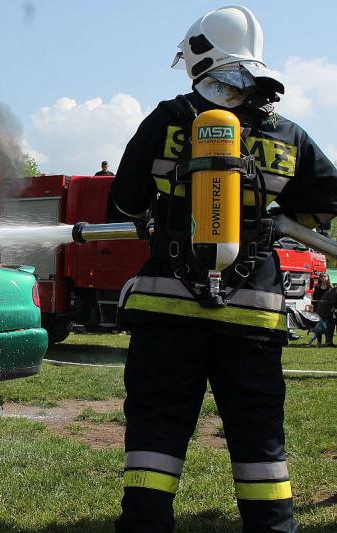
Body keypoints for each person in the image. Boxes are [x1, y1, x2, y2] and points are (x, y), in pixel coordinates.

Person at [108, 6, 337, 532]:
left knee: (156, 436)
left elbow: (124, 202)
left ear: (199, 54)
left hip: (167, 309)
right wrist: (278, 221)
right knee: (260, 442)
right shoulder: (288, 134)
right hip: (254, 316)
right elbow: (329, 198)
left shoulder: (168, 117)